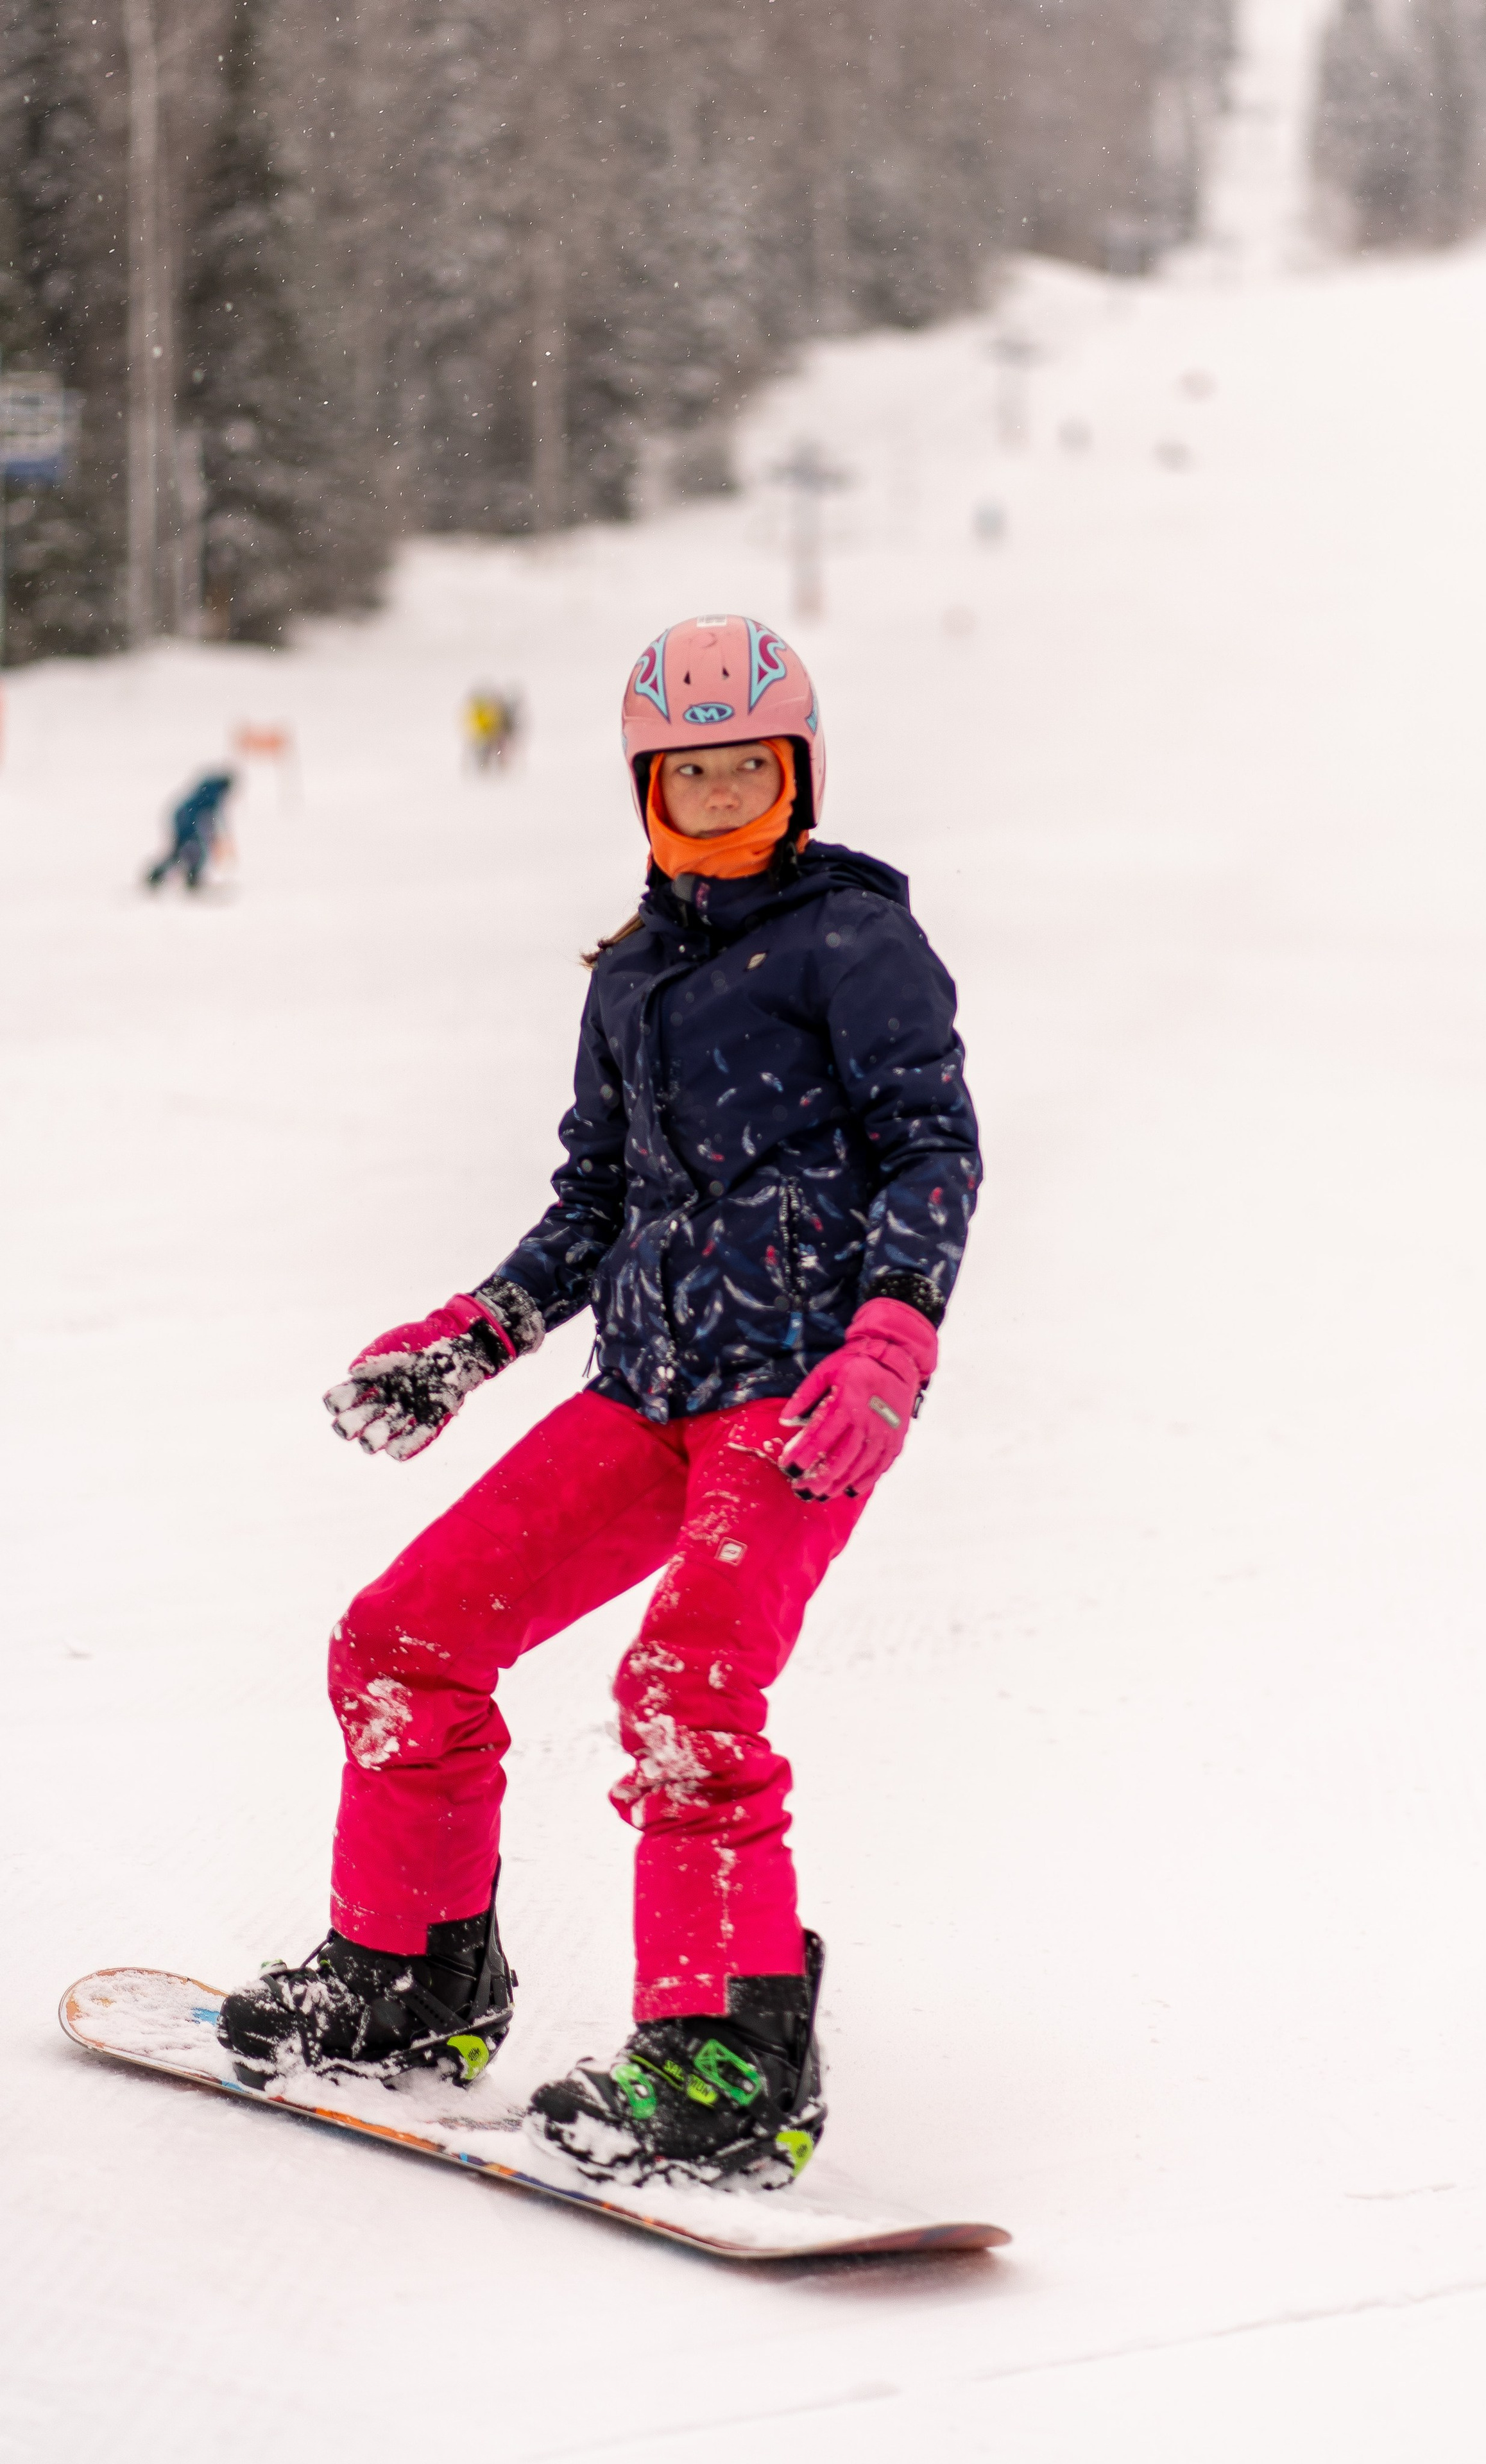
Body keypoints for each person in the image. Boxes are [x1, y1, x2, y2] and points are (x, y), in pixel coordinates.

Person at [218, 616, 982, 2189]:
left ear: (800, 777)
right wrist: (471, 1335)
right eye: (689, 782)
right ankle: (412, 1973)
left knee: (685, 1688)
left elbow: (930, 1146)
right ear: (645, 791)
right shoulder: (631, 973)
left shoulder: (855, 944)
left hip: (799, 1397)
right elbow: (593, 1199)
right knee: (403, 1636)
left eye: (747, 777)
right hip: (644, 1391)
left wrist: (889, 1337)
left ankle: (725, 2055)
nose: (721, 804)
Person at [144, 770, 236, 893]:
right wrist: (218, 836)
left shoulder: (208, 786)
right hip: (186, 820)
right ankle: (192, 879)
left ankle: (156, 875)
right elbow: (214, 816)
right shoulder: (215, 792)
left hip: (181, 816)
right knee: (196, 852)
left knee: (178, 851)